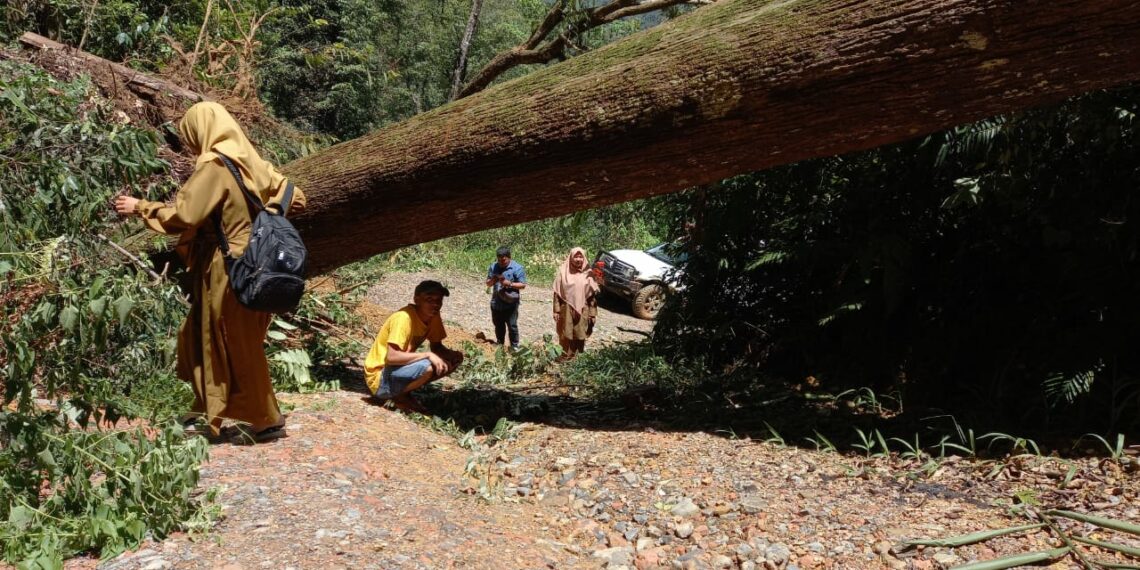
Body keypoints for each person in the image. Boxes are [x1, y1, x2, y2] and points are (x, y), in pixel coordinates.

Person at [113, 101, 303, 444]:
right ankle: (205, 410)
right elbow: (296, 194)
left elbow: (185, 215)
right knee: (212, 334)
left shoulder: (216, 167)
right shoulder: (255, 165)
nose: (189, 143)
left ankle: (263, 419)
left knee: (229, 340)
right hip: (260, 264)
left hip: (228, 267)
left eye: (190, 135)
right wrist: (267, 217)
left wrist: (140, 207)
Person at [364, 280, 464, 413]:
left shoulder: (433, 316)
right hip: (379, 379)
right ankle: (398, 396)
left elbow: (437, 347)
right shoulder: (403, 318)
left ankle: (404, 391)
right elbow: (392, 357)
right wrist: (427, 355)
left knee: (451, 360)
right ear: (417, 299)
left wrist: (452, 355)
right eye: (429, 299)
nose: (435, 304)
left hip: (397, 369)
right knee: (427, 366)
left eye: (439, 300)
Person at [552, 247, 601, 360]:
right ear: (571, 257)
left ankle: (577, 359)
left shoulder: (588, 274)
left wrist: (592, 313)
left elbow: (592, 297)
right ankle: (564, 356)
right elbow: (557, 294)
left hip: (584, 309)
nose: (578, 259)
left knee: (580, 333)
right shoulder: (563, 273)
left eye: (581, 256)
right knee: (565, 332)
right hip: (566, 309)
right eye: (576, 256)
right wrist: (556, 310)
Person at [485, 245, 527, 350]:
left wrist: (509, 284)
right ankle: (500, 343)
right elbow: (488, 283)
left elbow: (522, 285)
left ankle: (514, 346)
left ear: (509, 257)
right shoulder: (493, 266)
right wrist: (493, 280)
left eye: (503, 260)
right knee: (498, 324)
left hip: (511, 303)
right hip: (496, 301)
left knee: (512, 325)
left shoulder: (517, 268)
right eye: (499, 260)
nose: (501, 262)